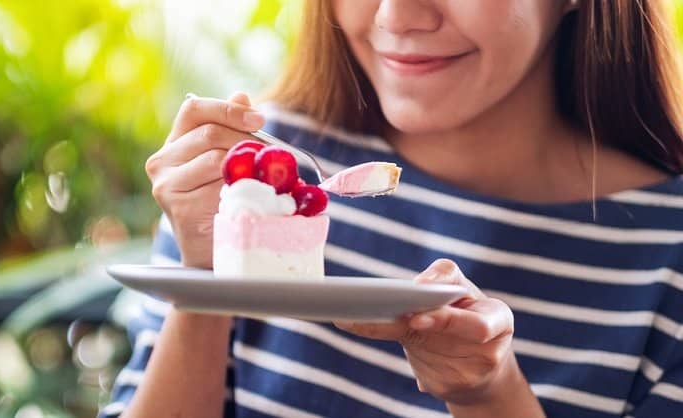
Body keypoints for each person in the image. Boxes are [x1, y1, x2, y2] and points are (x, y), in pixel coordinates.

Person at [101, 0, 683, 417]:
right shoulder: (256, 171)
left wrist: (490, 396)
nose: (397, 16)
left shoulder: (667, 255)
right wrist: (208, 275)